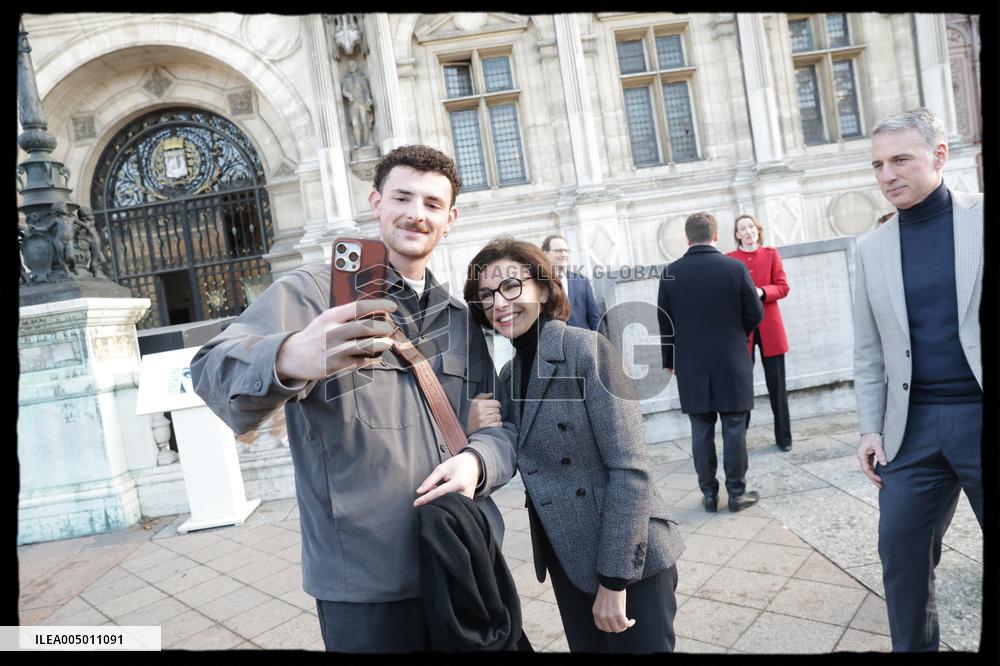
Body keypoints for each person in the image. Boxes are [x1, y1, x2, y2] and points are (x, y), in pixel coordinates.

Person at [191, 144, 518, 653]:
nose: (416, 214)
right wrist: (292, 356)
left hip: (460, 556)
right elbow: (211, 369)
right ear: (376, 203)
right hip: (365, 579)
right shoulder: (316, 292)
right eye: (402, 197)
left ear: (450, 219)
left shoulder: (460, 319)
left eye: (432, 204)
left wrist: (479, 462)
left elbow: (498, 426)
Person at [464, 236, 684, 653]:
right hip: (567, 556)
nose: (498, 302)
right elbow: (507, 453)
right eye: (486, 295)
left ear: (543, 290)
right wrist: (470, 426)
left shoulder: (586, 349)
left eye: (511, 286)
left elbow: (630, 468)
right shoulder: (511, 374)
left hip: (626, 558)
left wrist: (615, 580)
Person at [854, 108, 982, 652]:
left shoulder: (980, 218)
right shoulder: (869, 248)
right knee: (900, 554)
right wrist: (868, 428)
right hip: (911, 430)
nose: (887, 174)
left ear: (939, 155)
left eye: (900, 159)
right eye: (878, 164)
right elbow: (868, 351)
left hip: (979, 414)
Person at [657, 212, 764, 513]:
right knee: (734, 428)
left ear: (688, 239)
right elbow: (755, 313)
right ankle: (736, 493)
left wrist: (670, 360)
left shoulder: (671, 272)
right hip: (731, 360)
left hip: (691, 364)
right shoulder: (735, 267)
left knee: (701, 429)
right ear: (716, 236)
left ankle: (708, 494)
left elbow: (664, 323)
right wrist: (735, 335)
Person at [727, 214, 792, 452]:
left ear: (758, 230)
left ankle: (784, 438)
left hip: (771, 329)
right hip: (743, 330)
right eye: (742, 228)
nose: (747, 231)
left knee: (777, 386)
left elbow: (783, 287)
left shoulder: (771, 254)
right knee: (741, 386)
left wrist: (762, 292)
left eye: (751, 227)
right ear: (736, 234)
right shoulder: (730, 260)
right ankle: (739, 439)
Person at [541, 234, 602, 332]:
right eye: (558, 251)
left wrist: (599, 344)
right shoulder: (540, 283)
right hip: (553, 342)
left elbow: (594, 318)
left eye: (566, 251)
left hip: (582, 342)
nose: (564, 254)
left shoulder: (582, 281)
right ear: (545, 253)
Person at [342, 60, 374, 149]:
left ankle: (367, 142)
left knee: (364, 122)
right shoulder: (346, 80)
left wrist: (368, 99)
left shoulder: (362, 78)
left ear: (356, 66)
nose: (351, 66)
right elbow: (344, 91)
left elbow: (367, 91)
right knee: (355, 123)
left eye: (353, 64)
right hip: (353, 104)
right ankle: (358, 143)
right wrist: (348, 95)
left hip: (362, 103)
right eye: (349, 65)